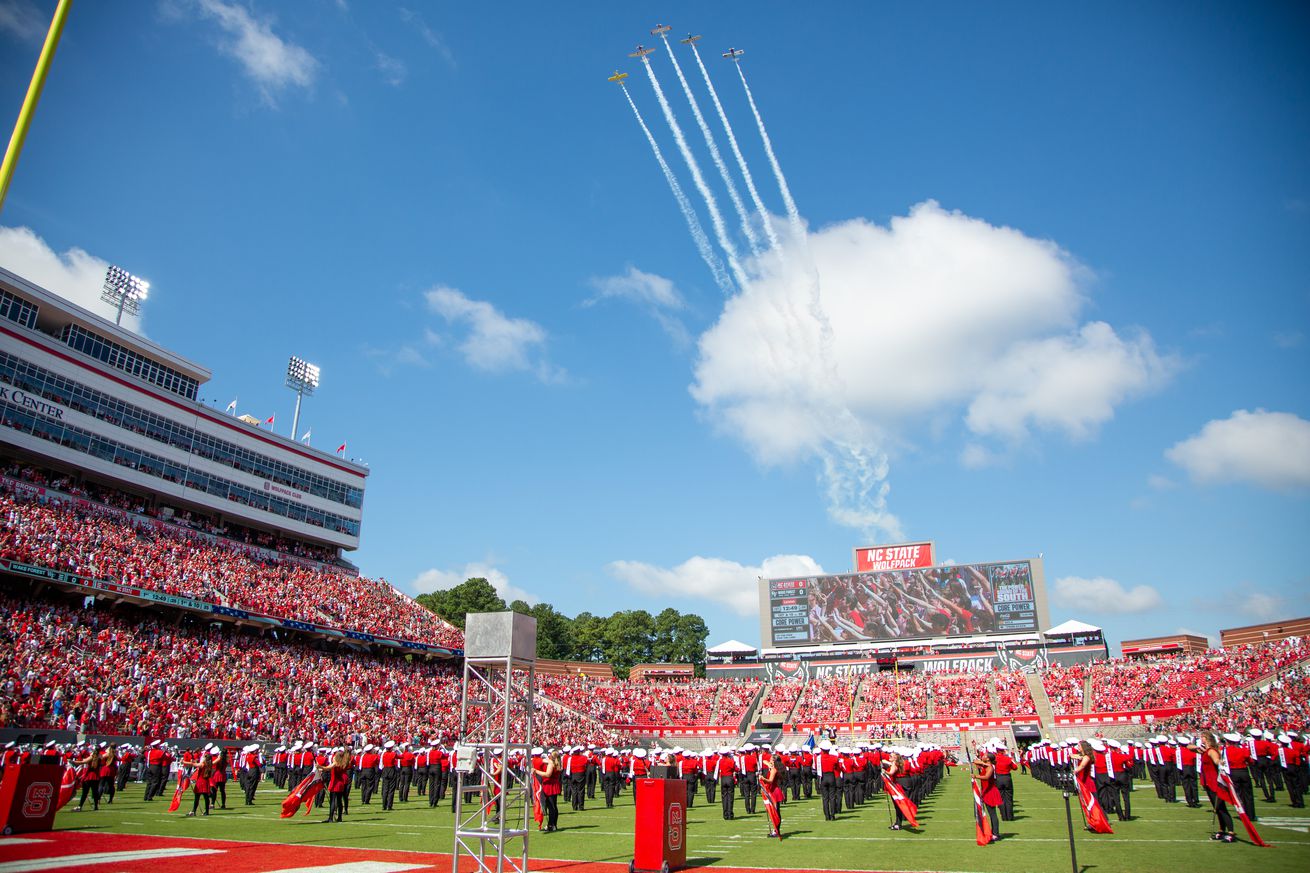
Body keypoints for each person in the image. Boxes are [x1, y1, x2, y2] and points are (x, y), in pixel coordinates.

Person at [1200, 731, 1236, 843]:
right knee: (1217, 809)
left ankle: (1231, 832)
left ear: (1207, 738)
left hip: (1213, 781)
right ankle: (1222, 830)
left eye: (1203, 737)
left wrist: (1219, 761)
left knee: (1221, 808)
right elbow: (1189, 747)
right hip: (1208, 781)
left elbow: (1216, 760)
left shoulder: (1211, 751)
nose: (1201, 738)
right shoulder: (1205, 750)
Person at [973, 752, 1002, 842]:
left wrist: (976, 776)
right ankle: (993, 832)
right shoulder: (986, 765)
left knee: (992, 813)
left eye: (985, 755)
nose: (983, 756)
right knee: (990, 813)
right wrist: (982, 763)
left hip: (990, 792)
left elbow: (986, 777)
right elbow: (975, 761)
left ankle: (995, 833)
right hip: (986, 791)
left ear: (988, 758)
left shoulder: (990, 767)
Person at [533, 749, 562, 833]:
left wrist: (536, 771)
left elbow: (547, 774)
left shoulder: (551, 764)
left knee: (551, 807)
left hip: (549, 785)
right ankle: (553, 824)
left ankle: (551, 824)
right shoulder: (558, 763)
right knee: (553, 806)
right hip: (554, 784)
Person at [322, 747, 351, 823]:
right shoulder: (343, 763)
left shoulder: (336, 763)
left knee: (332, 801)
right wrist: (320, 769)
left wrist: (319, 767)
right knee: (339, 801)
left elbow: (327, 768)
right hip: (340, 784)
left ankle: (331, 818)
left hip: (335, 783)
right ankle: (340, 817)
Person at [760, 747, 783, 838]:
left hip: (774, 792)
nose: (769, 761)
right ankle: (776, 830)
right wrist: (769, 762)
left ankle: (776, 830)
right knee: (775, 811)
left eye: (771, 760)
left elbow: (770, 781)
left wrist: (762, 779)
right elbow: (764, 761)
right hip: (773, 791)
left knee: (775, 812)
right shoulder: (774, 767)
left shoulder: (774, 769)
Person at [187, 752, 214, 817]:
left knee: (197, 797)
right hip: (205, 782)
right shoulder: (210, 764)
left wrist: (184, 762)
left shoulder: (203, 764)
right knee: (206, 797)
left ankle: (193, 811)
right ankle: (207, 811)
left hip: (200, 781)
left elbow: (193, 764)